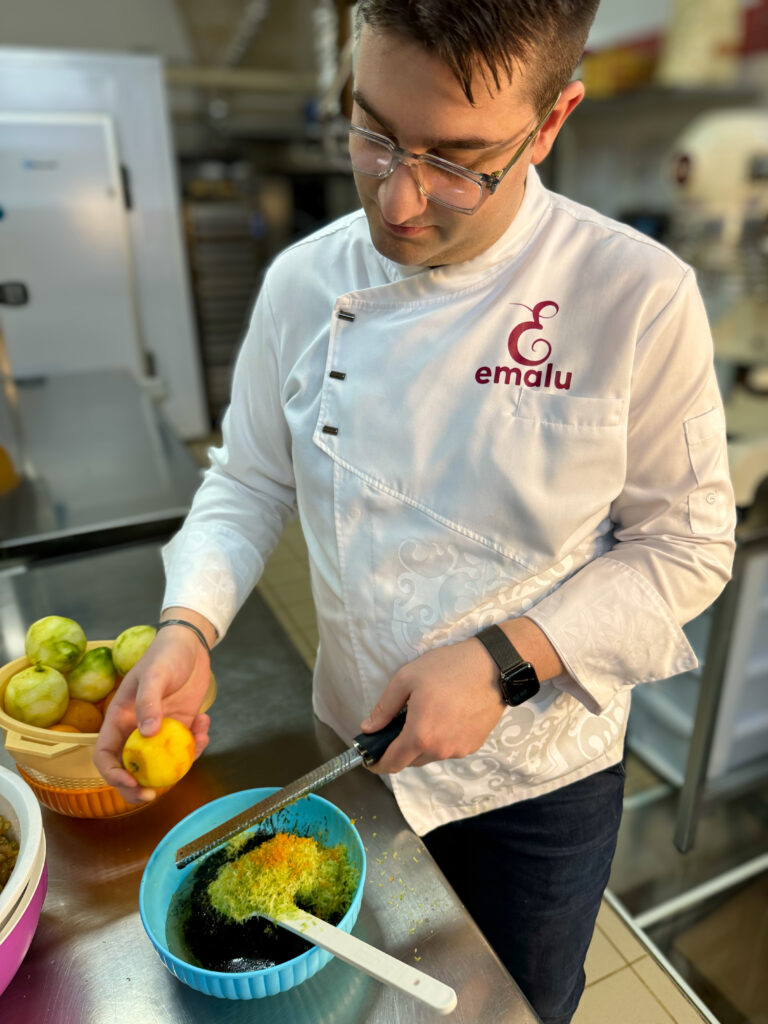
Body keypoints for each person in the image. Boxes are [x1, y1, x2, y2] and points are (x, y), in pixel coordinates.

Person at [95, 2, 736, 1020]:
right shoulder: (303, 283)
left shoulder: (634, 295)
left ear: (553, 120)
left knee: (509, 1005)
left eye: (459, 160)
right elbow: (249, 477)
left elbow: (688, 548)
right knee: (351, 997)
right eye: (374, 133)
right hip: (348, 744)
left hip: (535, 788)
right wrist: (191, 623)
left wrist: (504, 658)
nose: (397, 202)